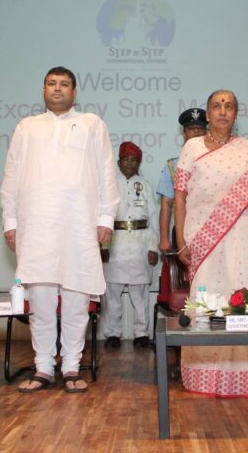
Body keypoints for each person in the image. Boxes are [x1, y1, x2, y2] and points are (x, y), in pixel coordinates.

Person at [1, 66, 119, 394]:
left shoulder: (92, 124)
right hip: (36, 225)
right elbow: (11, 176)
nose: (57, 89)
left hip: (79, 225)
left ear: (74, 92)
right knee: (40, 303)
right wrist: (11, 222)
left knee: (76, 301)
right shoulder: (27, 127)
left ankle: (70, 366)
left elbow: (106, 172)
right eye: (51, 84)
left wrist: (105, 219)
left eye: (64, 84)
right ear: (42, 90)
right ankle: (42, 367)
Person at [174, 89, 248, 397]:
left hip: (243, 237)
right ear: (208, 114)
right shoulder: (192, 147)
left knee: (244, 297)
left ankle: (246, 374)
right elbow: (181, 196)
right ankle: (204, 376)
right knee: (208, 299)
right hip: (203, 236)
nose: (223, 111)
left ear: (235, 115)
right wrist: (180, 237)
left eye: (229, 106)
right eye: (217, 106)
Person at [102, 141, 159, 348]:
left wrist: (153, 248)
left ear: (138, 163)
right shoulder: (109, 186)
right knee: (113, 293)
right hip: (114, 242)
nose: (129, 163)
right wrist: (103, 248)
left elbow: (153, 217)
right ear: (118, 162)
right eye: (125, 159)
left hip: (139, 244)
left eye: (133, 160)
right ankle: (112, 334)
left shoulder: (145, 186)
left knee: (140, 294)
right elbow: (103, 218)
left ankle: (141, 334)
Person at [156, 108, 208, 253]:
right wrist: (164, 238)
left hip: (212, 230)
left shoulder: (218, 162)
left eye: (200, 128)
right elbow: (166, 205)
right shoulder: (173, 166)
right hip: (182, 233)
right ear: (184, 133)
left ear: (207, 132)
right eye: (191, 129)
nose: (196, 133)